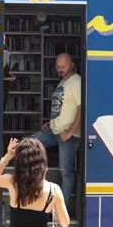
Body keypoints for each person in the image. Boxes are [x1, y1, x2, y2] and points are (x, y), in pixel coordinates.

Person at [34, 53, 81, 214]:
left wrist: (70, 132)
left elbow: (83, 110)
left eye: (63, 66)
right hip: (54, 131)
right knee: (28, 145)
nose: (60, 70)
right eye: (58, 67)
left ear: (72, 65)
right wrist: (51, 121)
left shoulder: (77, 82)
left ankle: (62, 211)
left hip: (68, 135)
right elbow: (62, 107)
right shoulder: (64, 81)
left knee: (65, 172)